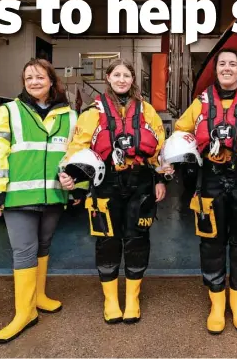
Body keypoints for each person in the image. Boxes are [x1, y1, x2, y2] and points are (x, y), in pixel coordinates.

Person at [173, 48, 237, 334]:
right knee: (211, 243)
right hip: (210, 179)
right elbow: (181, 131)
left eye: (232, 64)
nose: (227, 68)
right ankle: (217, 305)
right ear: (215, 71)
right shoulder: (201, 103)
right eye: (222, 64)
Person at [0, 58, 77, 343]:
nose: (34, 82)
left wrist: (77, 185)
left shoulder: (69, 115)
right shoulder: (7, 111)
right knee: (23, 251)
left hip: (54, 195)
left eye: (39, 77)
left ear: (51, 80)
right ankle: (24, 313)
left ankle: (39, 296)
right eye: (28, 78)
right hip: (18, 195)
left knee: (44, 246)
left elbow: (75, 154)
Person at [61, 58, 166, 324]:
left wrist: (161, 180)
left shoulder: (147, 111)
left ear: (133, 80)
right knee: (107, 239)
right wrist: (69, 176)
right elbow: (78, 147)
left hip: (140, 181)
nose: (122, 80)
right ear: (108, 77)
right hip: (104, 181)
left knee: (137, 238)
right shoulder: (91, 113)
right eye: (117, 74)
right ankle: (110, 300)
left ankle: (132, 298)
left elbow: (160, 149)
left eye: (126, 75)